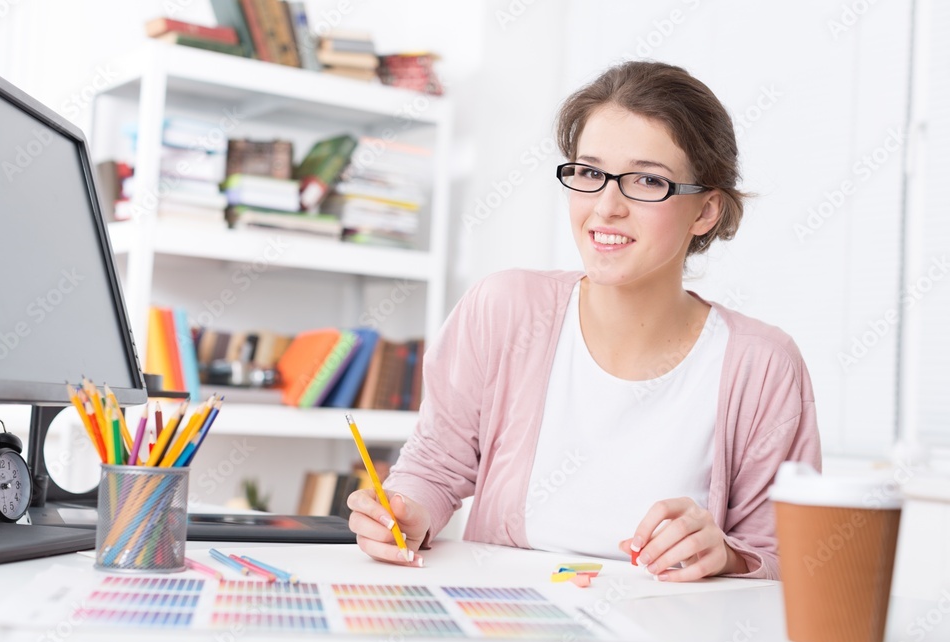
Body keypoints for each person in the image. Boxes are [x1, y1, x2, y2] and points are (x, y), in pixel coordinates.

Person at [347, 61, 822, 581]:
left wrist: (727, 555)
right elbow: (434, 466)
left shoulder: (763, 366)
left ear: (706, 211)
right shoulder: (503, 308)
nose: (606, 206)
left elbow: (787, 558)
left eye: (647, 180)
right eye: (591, 173)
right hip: (508, 625)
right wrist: (408, 511)